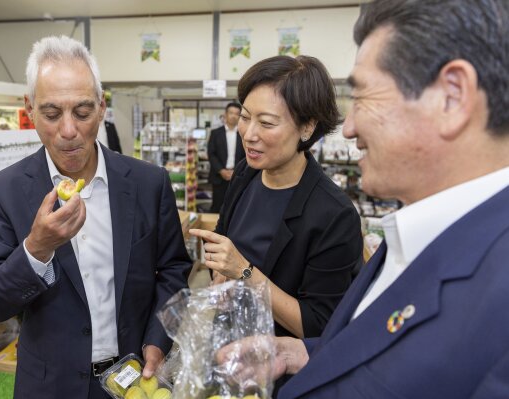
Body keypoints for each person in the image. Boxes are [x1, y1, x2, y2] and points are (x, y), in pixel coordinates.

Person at [218, 1, 509, 398]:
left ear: (452, 96)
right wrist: (301, 353)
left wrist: (247, 275)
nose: (350, 128)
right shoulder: (413, 236)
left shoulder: (494, 278)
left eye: (365, 96)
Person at [0, 36, 191, 399]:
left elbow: (172, 270)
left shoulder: (148, 183)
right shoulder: (4, 191)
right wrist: (37, 248)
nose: (69, 130)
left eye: (83, 111)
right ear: (30, 109)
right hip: (49, 384)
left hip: (132, 380)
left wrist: (158, 339)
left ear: (102, 107)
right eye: (52, 113)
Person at [190, 55, 364, 391]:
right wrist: (219, 277)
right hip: (226, 349)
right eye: (244, 117)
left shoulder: (333, 214)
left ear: (307, 127)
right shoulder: (245, 174)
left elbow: (320, 324)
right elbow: (224, 239)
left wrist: (243, 272)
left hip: (279, 375)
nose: (249, 134)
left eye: (267, 123)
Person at [207, 102, 245, 213]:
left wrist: (236, 171)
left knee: (236, 207)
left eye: (237, 113)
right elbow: (211, 154)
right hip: (219, 177)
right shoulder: (215, 133)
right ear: (225, 115)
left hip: (238, 176)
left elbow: (246, 155)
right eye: (231, 113)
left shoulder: (244, 134)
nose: (233, 116)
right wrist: (221, 170)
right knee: (217, 206)